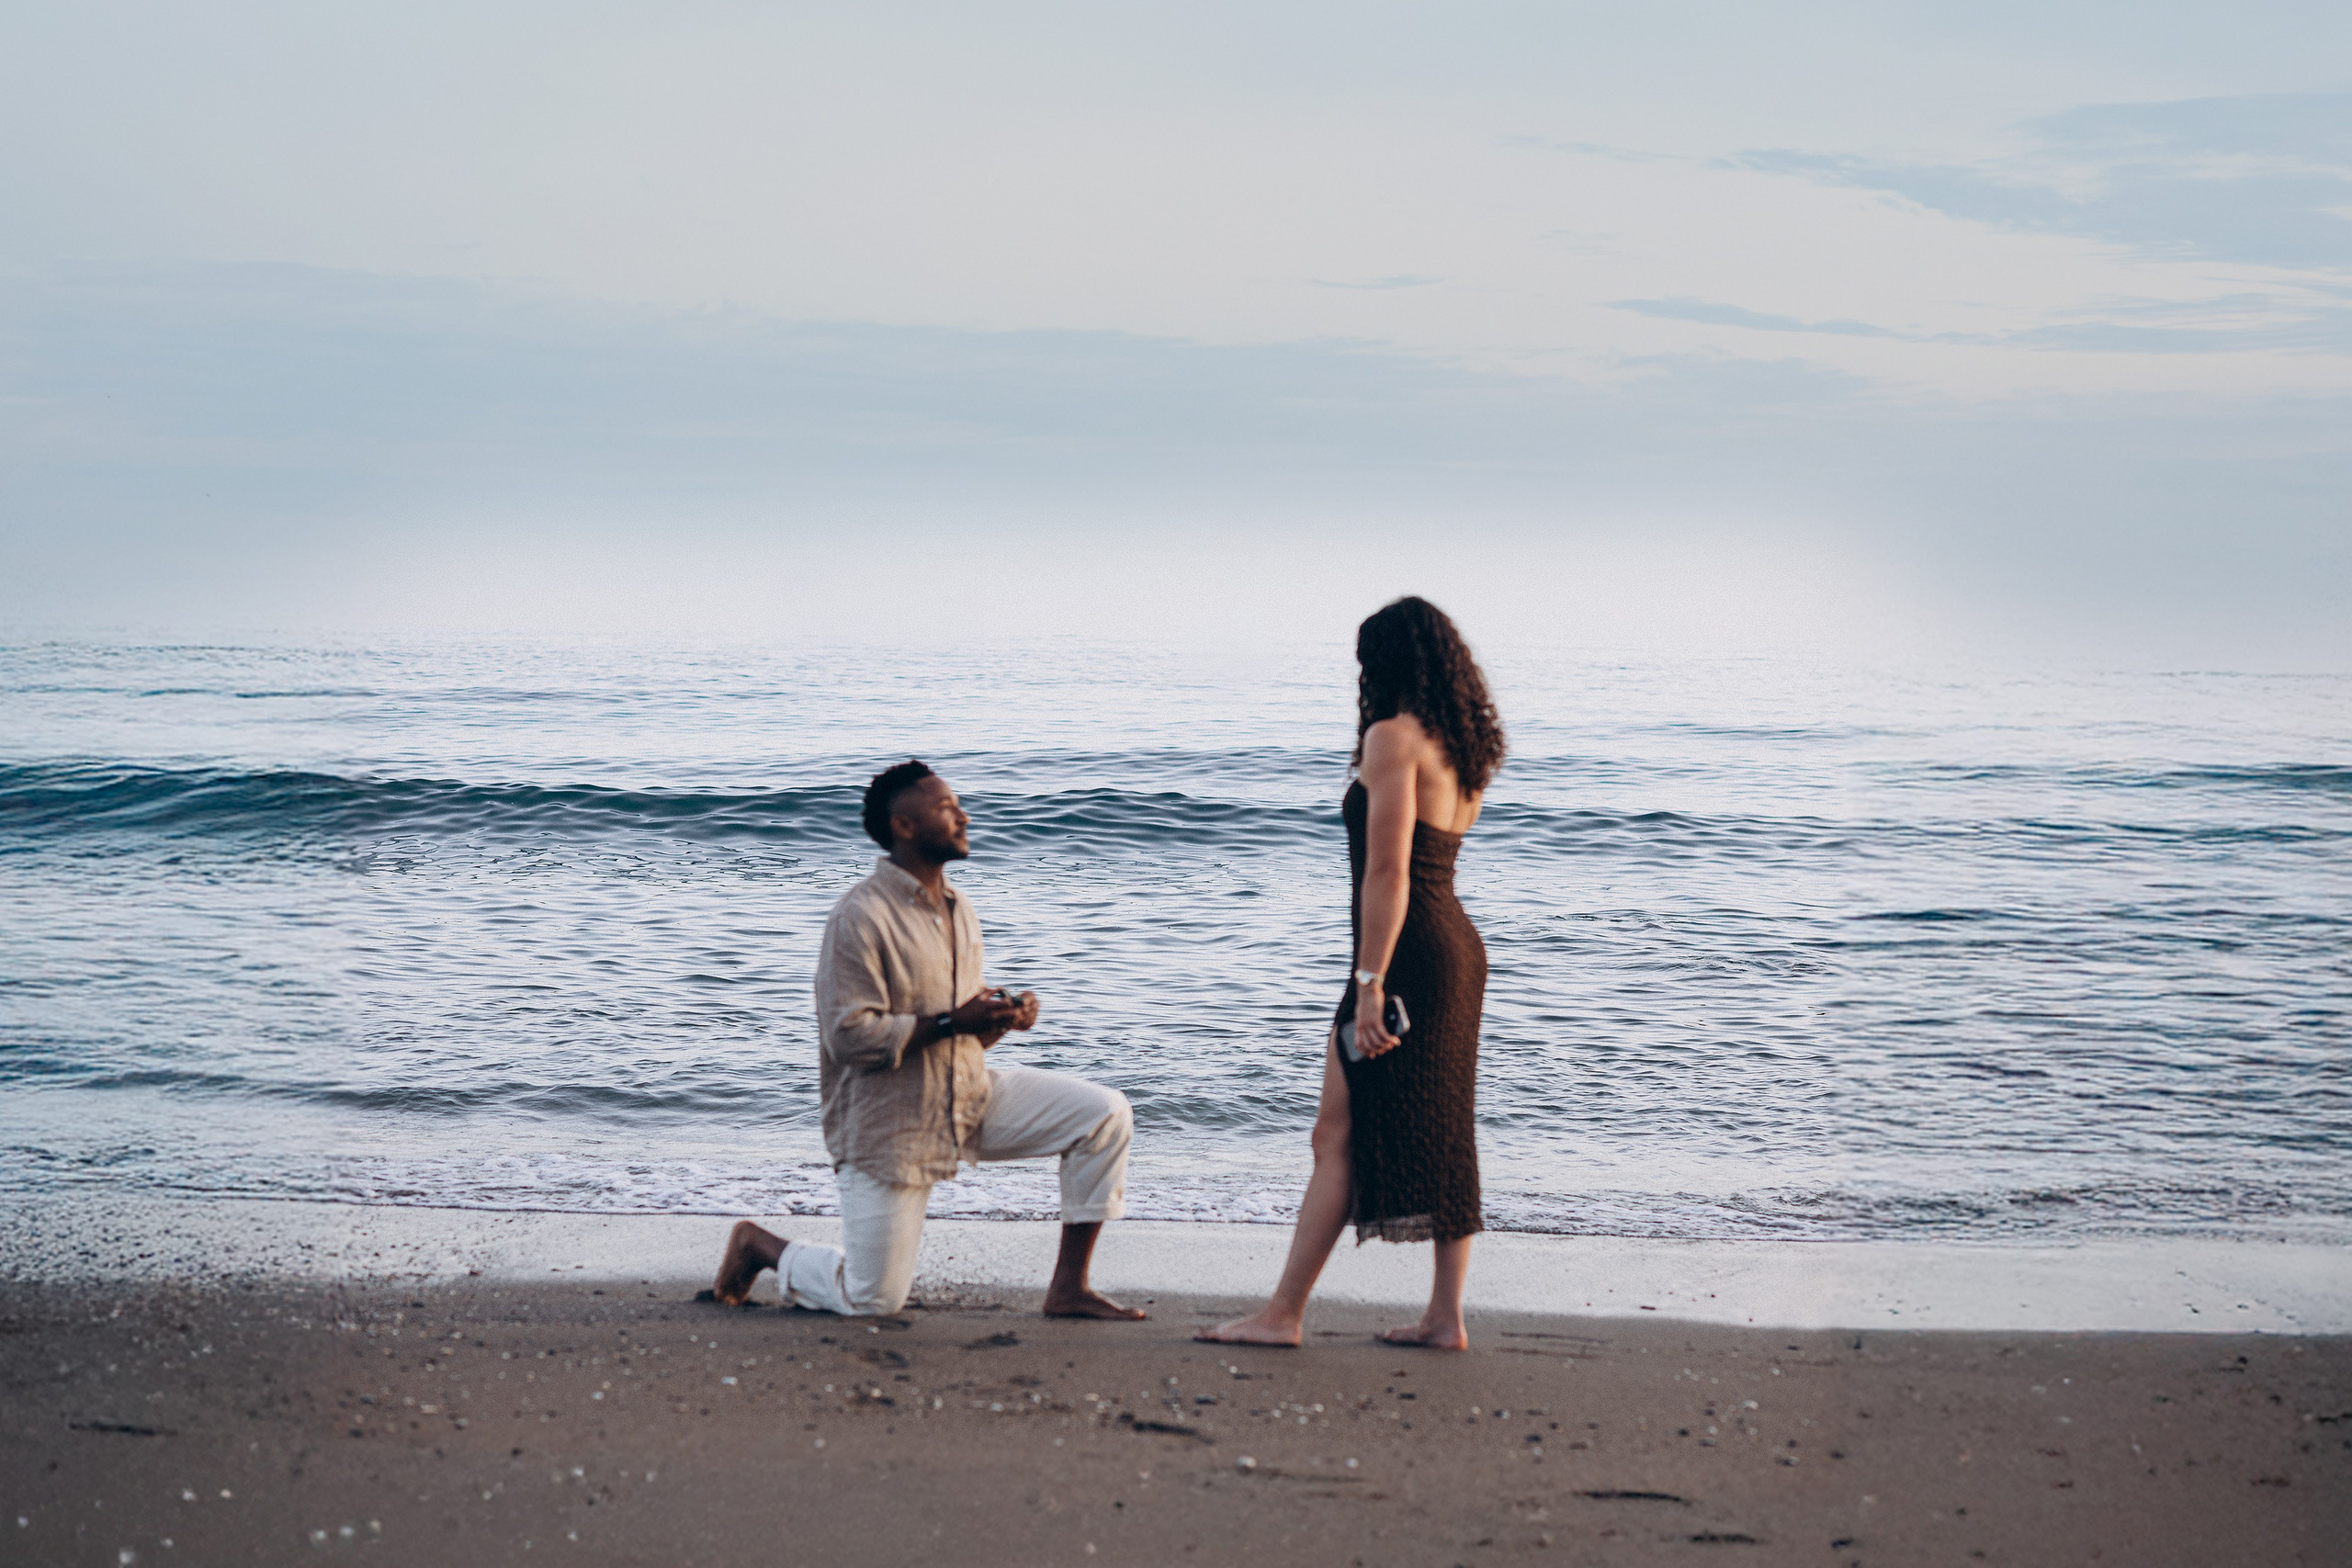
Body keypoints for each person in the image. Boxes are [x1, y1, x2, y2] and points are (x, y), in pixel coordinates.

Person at [707, 760, 1146, 1321]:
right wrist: (951, 1023)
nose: (964, 816)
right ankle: (759, 1247)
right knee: (871, 1299)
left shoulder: (960, 910)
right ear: (905, 827)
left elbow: (960, 1032)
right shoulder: (860, 916)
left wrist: (998, 1020)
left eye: (958, 805)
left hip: (967, 1096)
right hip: (892, 1124)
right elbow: (849, 1037)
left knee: (1103, 1114)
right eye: (946, 808)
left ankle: (1068, 1289)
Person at [1200, 597, 1503, 1349]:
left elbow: (1390, 870)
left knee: (1335, 1134)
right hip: (1456, 951)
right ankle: (1444, 1315)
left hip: (1406, 952)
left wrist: (1370, 980)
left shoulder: (1392, 736)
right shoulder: (1462, 746)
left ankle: (1282, 1314)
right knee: (1446, 1131)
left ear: (1387, 662)